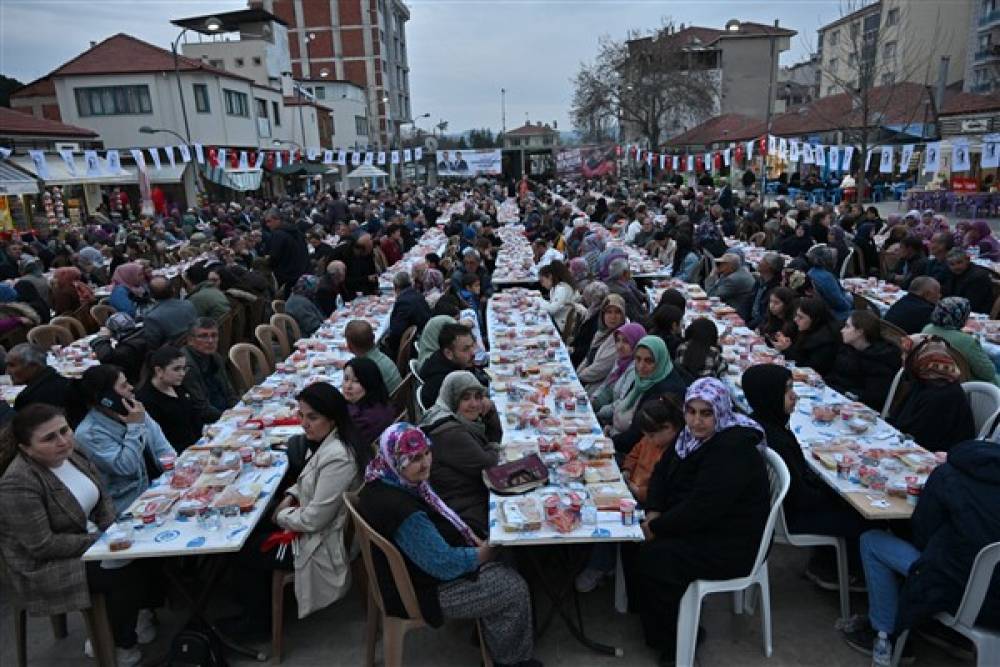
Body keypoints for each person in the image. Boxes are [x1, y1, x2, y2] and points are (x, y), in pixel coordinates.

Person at [357, 424, 538, 667]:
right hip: (420, 591)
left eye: (426, 453)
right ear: (394, 459)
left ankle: (491, 635)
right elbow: (444, 565)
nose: (425, 464)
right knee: (513, 588)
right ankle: (511, 661)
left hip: (410, 573)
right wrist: (485, 552)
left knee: (504, 552)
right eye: (413, 459)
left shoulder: (381, 476)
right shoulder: (405, 513)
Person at [0, 404, 150, 666]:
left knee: (149, 553)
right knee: (123, 575)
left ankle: (134, 617)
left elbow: (102, 496)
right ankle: (116, 642)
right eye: (49, 438)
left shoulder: (73, 451)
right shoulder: (18, 482)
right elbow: (42, 545)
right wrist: (103, 541)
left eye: (64, 430)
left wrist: (111, 527)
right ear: (26, 448)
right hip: (43, 566)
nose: (62, 441)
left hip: (87, 538)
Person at [636, 378, 770, 663]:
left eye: (706, 413)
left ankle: (680, 643)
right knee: (633, 539)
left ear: (720, 411)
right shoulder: (689, 438)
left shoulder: (732, 448)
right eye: (691, 412)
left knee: (656, 557)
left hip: (731, 542)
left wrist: (657, 528)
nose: (696, 421)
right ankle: (657, 626)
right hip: (701, 524)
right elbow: (661, 472)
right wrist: (654, 512)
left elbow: (703, 508)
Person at [224, 383, 367, 636]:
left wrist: (280, 515)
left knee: (242, 549)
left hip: (323, 543)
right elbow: (311, 479)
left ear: (332, 418)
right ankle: (254, 605)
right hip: (319, 525)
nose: (303, 423)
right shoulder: (331, 441)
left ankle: (258, 624)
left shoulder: (338, 456)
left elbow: (314, 519)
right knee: (252, 527)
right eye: (301, 415)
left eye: (312, 417)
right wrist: (290, 496)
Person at [841, 439, 1000, 659]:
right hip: (995, 605)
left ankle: (885, 635)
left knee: (873, 541)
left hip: (954, 593)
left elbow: (922, 534)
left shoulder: (949, 474)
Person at [742, 364, 871, 588]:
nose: (795, 395)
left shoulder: (763, 424)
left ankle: (825, 561)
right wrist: (837, 494)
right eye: (787, 390)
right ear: (769, 394)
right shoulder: (776, 438)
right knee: (862, 518)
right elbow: (800, 497)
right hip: (791, 517)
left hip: (782, 511)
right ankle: (845, 574)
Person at [74, 364, 175, 513]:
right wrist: (134, 427)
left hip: (161, 490)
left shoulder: (135, 410)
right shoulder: (89, 433)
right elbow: (126, 467)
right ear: (106, 399)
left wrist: (176, 474)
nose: (131, 388)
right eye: (123, 386)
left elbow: (163, 448)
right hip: (130, 504)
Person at [420, 371, 502, 537]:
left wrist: (490, 412)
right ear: (452, 399)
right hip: (465, 512)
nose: (474, 404)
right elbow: (490, 466)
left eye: (478, 396)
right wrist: (492, 447)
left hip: (470, 494)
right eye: (465, 398)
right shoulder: (449, 432)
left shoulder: (451, 418)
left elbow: (491, 445)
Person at [890, 335, 976, 452]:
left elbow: (920, 439)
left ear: (921, 359)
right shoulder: (925, 381)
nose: (902, 358)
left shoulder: (940, 395)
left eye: (906, 354)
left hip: (937, 455)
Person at [612, 335, 690, 454]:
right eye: (637, 359)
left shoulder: (667, 391)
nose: (641, 366)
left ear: (660, 360)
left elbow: (638, 435)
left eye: (649, 361)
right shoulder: (646, 379)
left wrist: (607, 441)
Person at [825, 310, 903, 410]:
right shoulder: (848, 348)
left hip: (854, 409)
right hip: (834, 397)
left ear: (860, 332)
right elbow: (835, 375)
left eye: (847, 326)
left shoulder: (880, 360)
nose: (842, 330)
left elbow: (872, 398)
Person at [136, 346, 203, 453]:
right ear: (159, 371)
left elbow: (194, 416)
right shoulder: (146, 400)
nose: (182, 373)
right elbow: (160, 441)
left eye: (184, 368)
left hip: (198, 445)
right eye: (176, 369)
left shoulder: (177, 386)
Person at [922, 296, 1000, 385]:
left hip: (936, 377)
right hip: (970, 386)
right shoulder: (967, 341)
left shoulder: (927, 329)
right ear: (960, 316)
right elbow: (988, 373)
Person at [592, 322, 647, 434]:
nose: (620, 346)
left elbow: (621, 403)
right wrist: (593, 398)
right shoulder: (621, 361)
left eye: (626, 341)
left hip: (614, 425)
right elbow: (606, 385)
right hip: (607, 416)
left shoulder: (635, 370)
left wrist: (598, 412)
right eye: (618, 340)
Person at [8, 342, 82, 425]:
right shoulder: (64, 381)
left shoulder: (27, 399)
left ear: (33, 366)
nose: (8, 371)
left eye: (12, 365)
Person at [182, 317, 238, 424]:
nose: (210, 341)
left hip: (226, 414)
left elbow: (229, 391)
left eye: (214, 335)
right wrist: (228, 418)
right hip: (207, 421)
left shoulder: (215, 357)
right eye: (203, 336)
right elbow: (201, 407)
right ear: (190, 340)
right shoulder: (186, 366)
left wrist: (238, 410)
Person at [418, 322, 487, 408]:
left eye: (472, 346)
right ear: (448, 353)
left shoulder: (458, 363)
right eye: (465, 349)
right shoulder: (444, 382)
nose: (473, 352)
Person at [772, 297, 842, 376]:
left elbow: (810, 368)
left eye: (800, 317)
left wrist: (787, 349)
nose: (795, 319)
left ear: (815, 319)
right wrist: (786, 343)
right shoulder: (808, 329)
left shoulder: (826, 340)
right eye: (796, 315)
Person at [576, 294, 628, 395]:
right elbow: (588, 357)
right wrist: (576, 374)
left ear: (623, 315)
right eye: (608, 312)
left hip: (598, 388)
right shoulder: (602, 332)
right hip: (586, 380)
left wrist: (578, 378)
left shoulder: (622, 337)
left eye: (617, 312)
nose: (613, 317)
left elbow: (600, 369)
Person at [342, 357, 397, 446]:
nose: (348, 386)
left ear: (369, 382)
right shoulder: (379, 401)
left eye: (356, 381)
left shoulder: (362, 419)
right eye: (346, 378)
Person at [89, 313, 150, 386]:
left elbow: (106, 357)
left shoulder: (127, 349)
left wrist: (102, 338)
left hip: (135, 383)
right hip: (146, 377)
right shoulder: (144, 333)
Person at [344, 319, 402, 394]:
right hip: (397, 397)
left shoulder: (365, 369)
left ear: (349, 347)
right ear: (374, 338)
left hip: (388, 403)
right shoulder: (381, 356)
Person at [385, 271, 432, 360]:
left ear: (396, 287)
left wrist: (387, 342)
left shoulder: (403, 302)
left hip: (414, 344)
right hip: (423, 334)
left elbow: (396, 332)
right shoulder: (417, 294)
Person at [142, 276, 198, 349]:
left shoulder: (151, 317)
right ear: (173, 289)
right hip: (196, 347)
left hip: (173, 355)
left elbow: (153, 346)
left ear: (151, 295)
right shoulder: (188, 304)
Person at [264, 208, 310, 297]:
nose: (267, 225)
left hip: (287, 278)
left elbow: (273, 257)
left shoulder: (278, 235)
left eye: (269, 221)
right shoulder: (296, 231)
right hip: (302, 274)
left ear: (278, 219)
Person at [805, 245, 852, 321]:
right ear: (827, 260)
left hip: (821, 312)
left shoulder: (811, 272)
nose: (835, 260)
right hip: (832, 314)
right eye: (833, 258)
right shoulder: (827, 277)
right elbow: (841, 304)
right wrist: (850, 298)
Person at [569, 282, 609, 368]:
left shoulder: (598, 318)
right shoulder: (593, 312)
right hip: (581, 355)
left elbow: (588, 346)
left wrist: (572, 351)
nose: (584, 299)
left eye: (586, 296)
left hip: (583, 361)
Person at [705, 253, 756, 322]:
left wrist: (712, 275)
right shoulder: (738, 271)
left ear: (729, 265)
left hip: (737, 312)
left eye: (721, 264)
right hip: (735, 307)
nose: (718, 266)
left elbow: (711, 295)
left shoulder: (733, 279)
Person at [943, 248, 993, 314]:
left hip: (976, 314)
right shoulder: (950, 273)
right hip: (957, 310)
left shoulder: (978, 277)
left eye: (959, 262)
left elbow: (971, 304)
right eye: (952, 264)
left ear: (967, 260)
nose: (956, 267)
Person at [537, 260, 581, 335]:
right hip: (560, 319)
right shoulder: (557, 287)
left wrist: (537, 299)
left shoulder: (562, 289)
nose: (542, 285)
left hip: (560, 324)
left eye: (542, 281)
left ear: (550, 276)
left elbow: (552, 309)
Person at [748, 253, 785, 330]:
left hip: (761, 326)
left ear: (770, 267)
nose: (759, 262)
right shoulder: (759, 281)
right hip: (750, 320)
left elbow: (766, 315)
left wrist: (749, 325)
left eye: (763, 260)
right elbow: (749, 300)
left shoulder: (776, 288)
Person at [606, 257, 649, 323]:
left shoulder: (611, 282)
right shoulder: (624, 293)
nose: (630, 272)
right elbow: (638, 316)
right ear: (624, 273)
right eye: (629, 270)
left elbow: (640, 296)